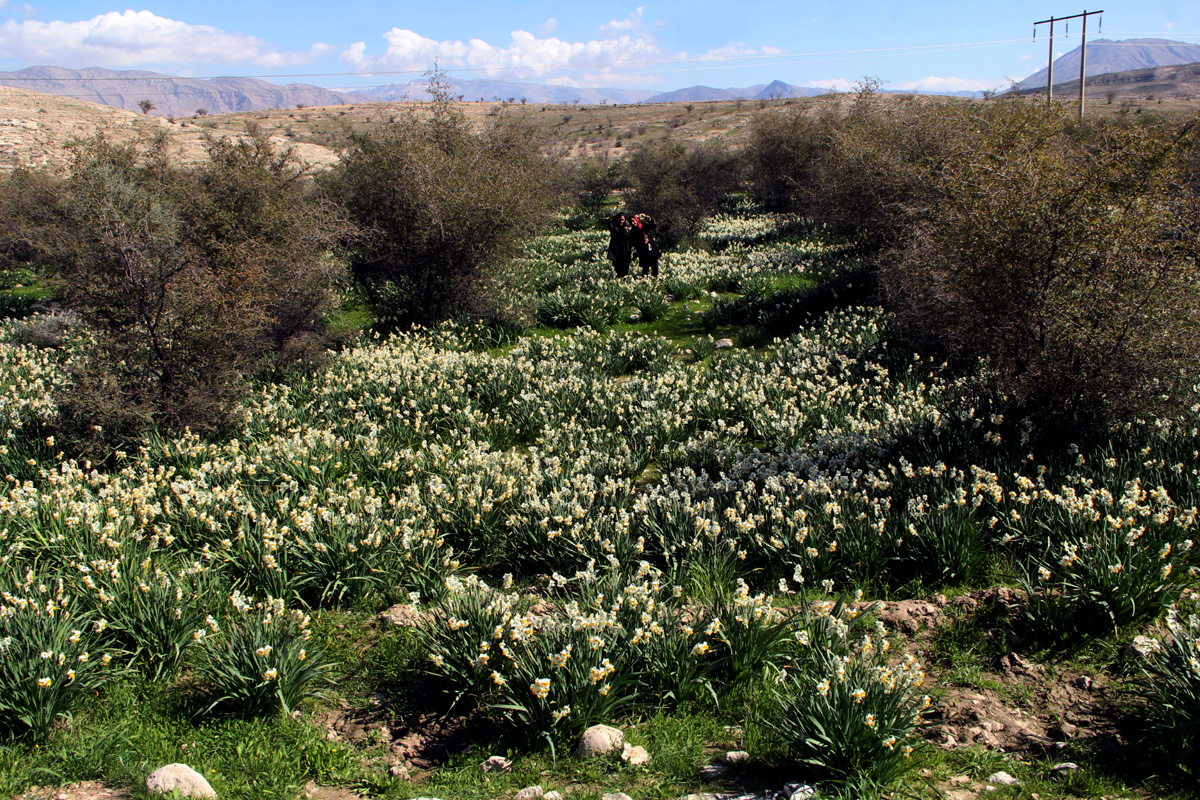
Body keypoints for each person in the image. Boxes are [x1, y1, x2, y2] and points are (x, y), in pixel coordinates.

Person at [605, 212, 633, 279]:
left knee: (626, 267)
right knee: (618, 267)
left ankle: (625, 280)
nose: (621, 221)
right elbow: (610, 226)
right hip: (617, 250)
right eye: (620, 219)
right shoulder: (615, 228)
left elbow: (631, 239)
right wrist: (610, 218)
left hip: (625, 250)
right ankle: (619, 279)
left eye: (622, 220)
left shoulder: (627, 228)